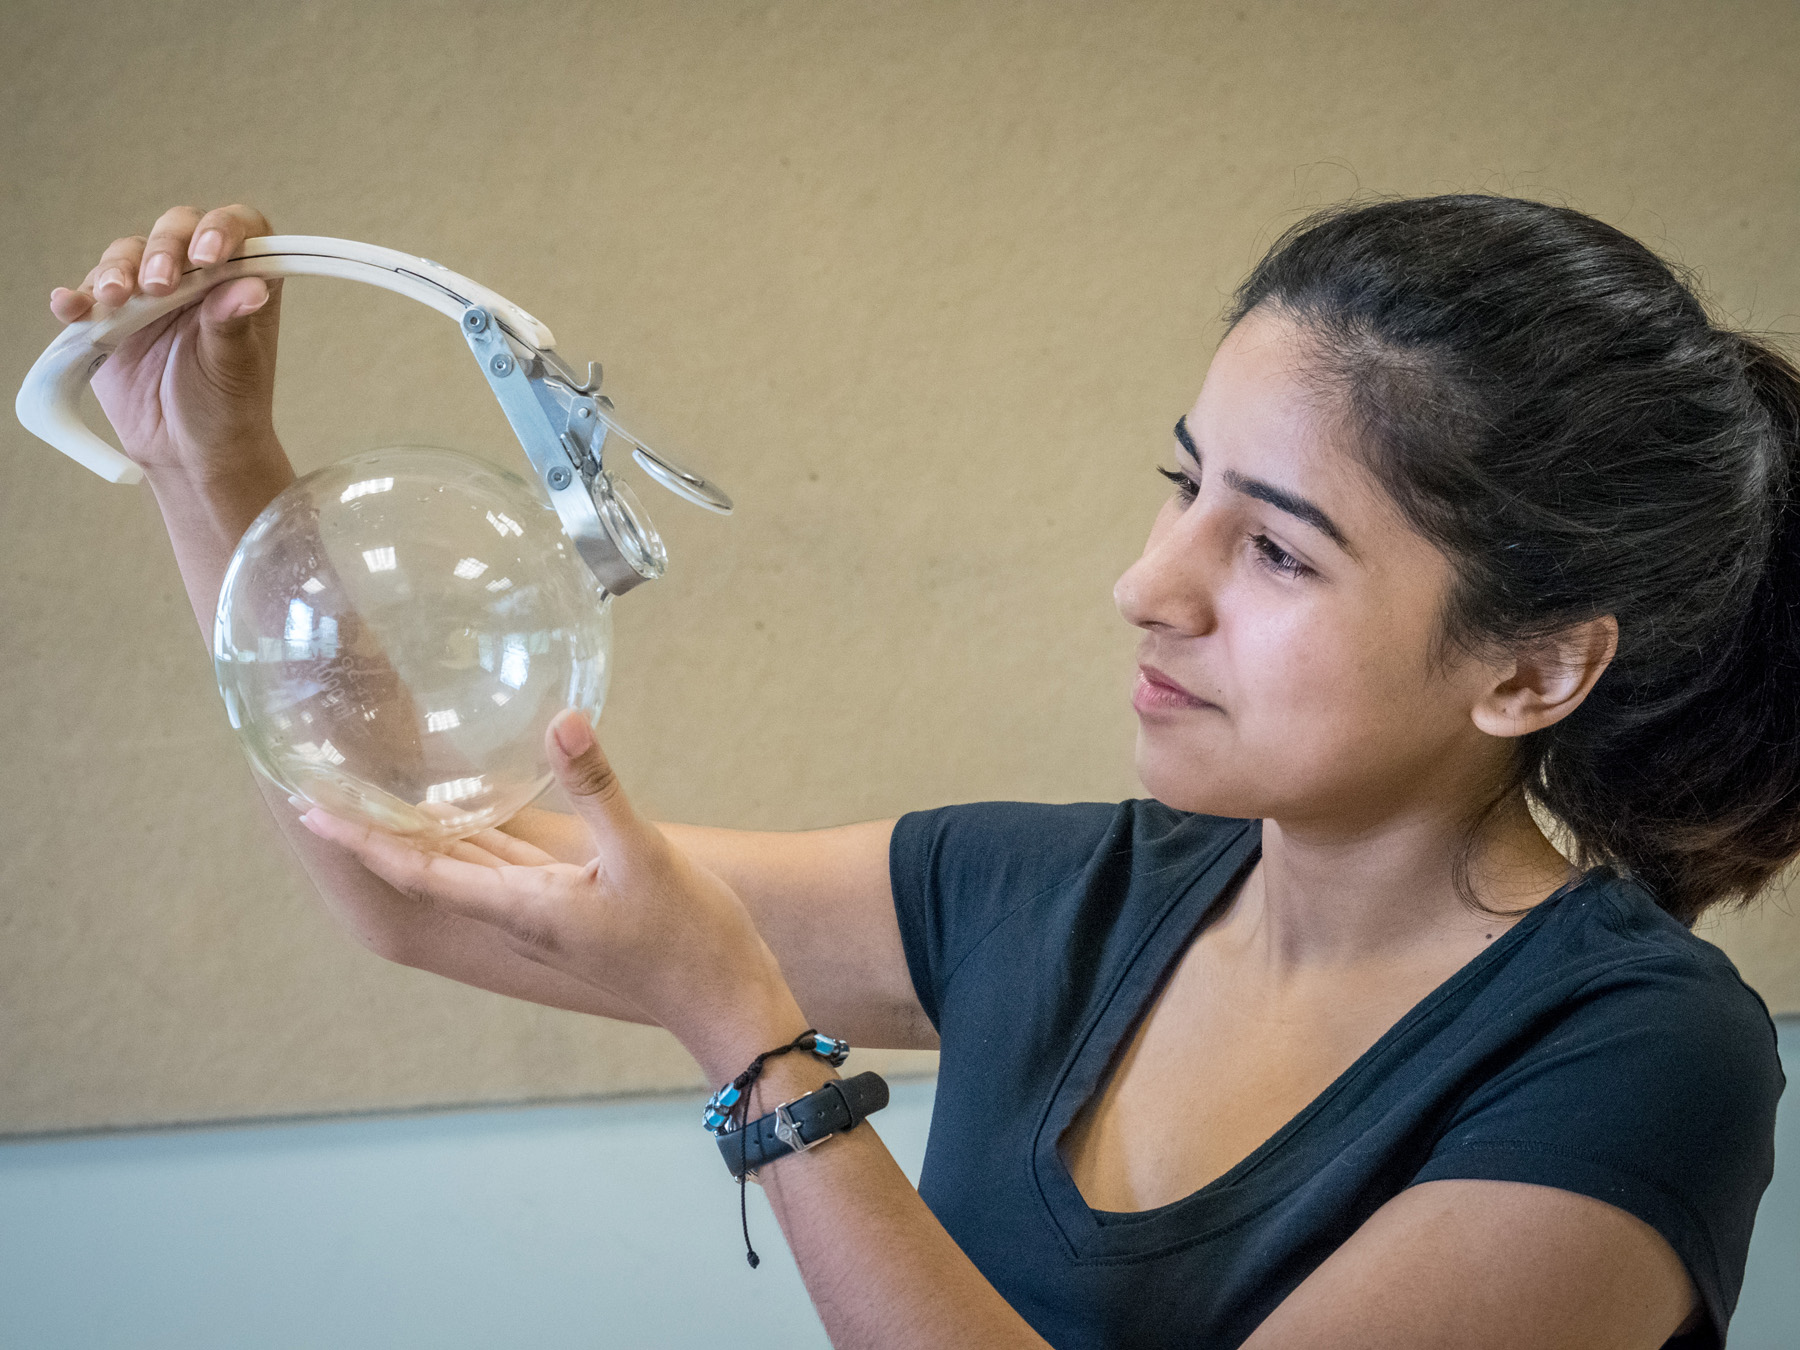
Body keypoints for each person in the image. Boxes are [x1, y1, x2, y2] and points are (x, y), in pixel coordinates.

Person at [51, 194, 1788, 1349]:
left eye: (1275, 549)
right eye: (1182, 485)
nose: (1148, 581)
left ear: (1537, 663)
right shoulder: (1046, 894)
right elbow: (413, 874)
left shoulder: (1638, 1051)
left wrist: (756, 1044)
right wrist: (214, 468)